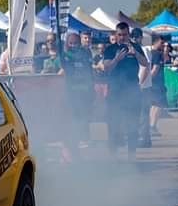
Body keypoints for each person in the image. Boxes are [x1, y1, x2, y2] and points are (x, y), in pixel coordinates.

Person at [101, 22, 149, 159]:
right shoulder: (110, 49)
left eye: (125, 34)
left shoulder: (135, 47)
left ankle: (131, 156)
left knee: (132, 125)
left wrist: (136, 54)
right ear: (116, 35)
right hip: (115, 92)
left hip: (132, 91)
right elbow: (106, 67)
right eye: (119, 35)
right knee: (113, 125)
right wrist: (116, 59)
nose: (122, 37)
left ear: (129, 34)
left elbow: (145, 63)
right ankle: (114, 157)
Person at [61, 30, 94, 152]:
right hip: (71, 91)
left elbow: (89, 71)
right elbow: (62, 68)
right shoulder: (65, 54)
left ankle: (84, 138)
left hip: (84, 91)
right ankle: (74, 140)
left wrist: (91, 89)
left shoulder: (86, 53)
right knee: (74, 116)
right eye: (71, 43)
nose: (73, 45)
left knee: (84, 115)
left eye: (75, 43)